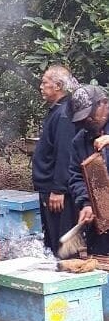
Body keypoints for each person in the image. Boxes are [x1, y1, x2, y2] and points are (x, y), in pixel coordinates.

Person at [32, 64, 80, 253]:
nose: (41, 86)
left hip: (58, 192)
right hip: (49, 187)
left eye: (45, 82)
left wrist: (59, 189)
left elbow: (65, 153)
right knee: (52, 241)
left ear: (58, 85)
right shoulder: (57, 110)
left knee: (61, 242)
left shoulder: (64, 114)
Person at [67, 84, 109, 254]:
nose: (88, 121)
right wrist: (86, 203)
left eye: (90, 115)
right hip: (102, 226)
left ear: (104, 103)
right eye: (83, 118)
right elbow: (76, 176)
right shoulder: (79, 141)